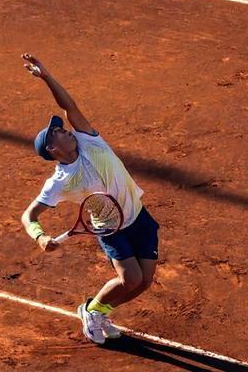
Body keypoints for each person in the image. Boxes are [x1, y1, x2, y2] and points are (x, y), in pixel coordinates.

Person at [19, 53, 161, 344]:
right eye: (58, 132)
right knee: (130, 279)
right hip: (111, 228)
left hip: (138, 216)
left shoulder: (87, 138)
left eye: (61, 127)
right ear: (53, 150)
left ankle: (98, 311)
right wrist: (39, 236)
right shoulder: (60, 182)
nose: (65, 129)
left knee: (144, 281)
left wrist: (46, 77)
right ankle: (92, 311)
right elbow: (29, 215)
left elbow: (69, 106)